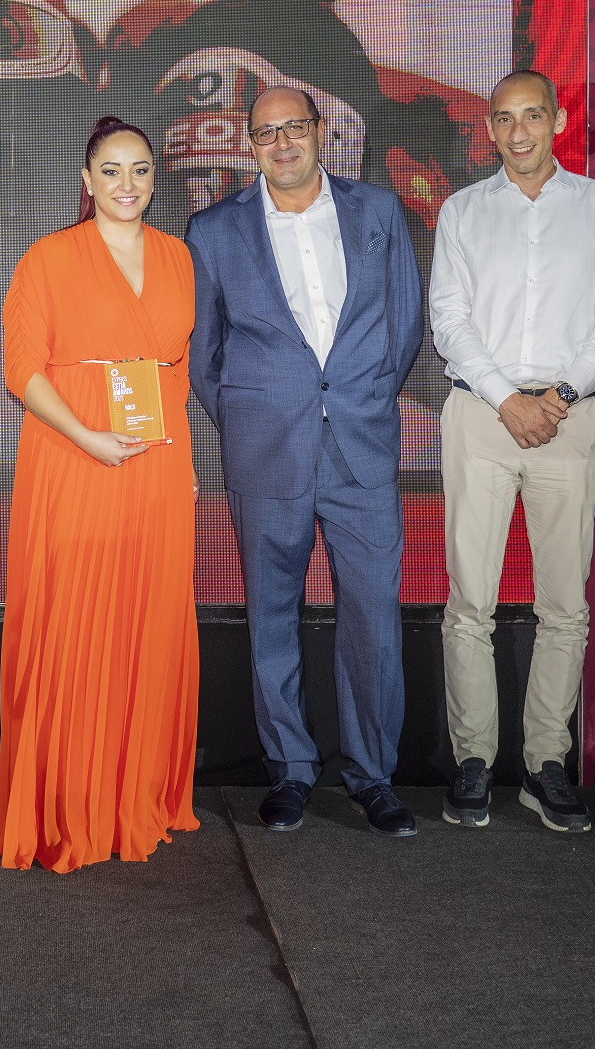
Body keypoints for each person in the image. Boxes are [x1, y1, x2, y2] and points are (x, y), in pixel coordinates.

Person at [188, 85, 425, 836]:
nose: (283, 143)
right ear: (249, 144)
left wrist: (364, 398)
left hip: (361, 448)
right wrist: (255, 416)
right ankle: (290, 769)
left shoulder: (378, 211)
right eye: (266, 133)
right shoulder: (213, 229)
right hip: (266, 451)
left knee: (374, 619)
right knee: (272, 615)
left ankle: (372, 775)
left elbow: (404, 325)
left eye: (295, 127)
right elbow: (205, 357)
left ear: (321, 131)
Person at [0, 117, 200, 871]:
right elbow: (22, 369)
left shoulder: (178, 257)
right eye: (110, 170)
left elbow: (175, 371)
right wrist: (86, 436)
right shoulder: (49, 257)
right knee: (75, 628)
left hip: (157, 468)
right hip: (76, 459)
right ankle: (70, 809)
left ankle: (134, 799)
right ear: (86, 180)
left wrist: (182, 461)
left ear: (155, 177)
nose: (126, 184)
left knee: (147, 626)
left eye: (140, 169)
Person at [428, 70, 595, 833]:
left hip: (569, 416)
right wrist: (507, 399)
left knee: (565, 606)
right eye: (504, 118)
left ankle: (547, 762)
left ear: (558, 121)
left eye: (532, 116)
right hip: (480, 413)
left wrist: (562, 395)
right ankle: (474, 761)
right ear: (490, 128)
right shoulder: (461, 210)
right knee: (469, 603)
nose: (518, 132)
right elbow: (449, 320)